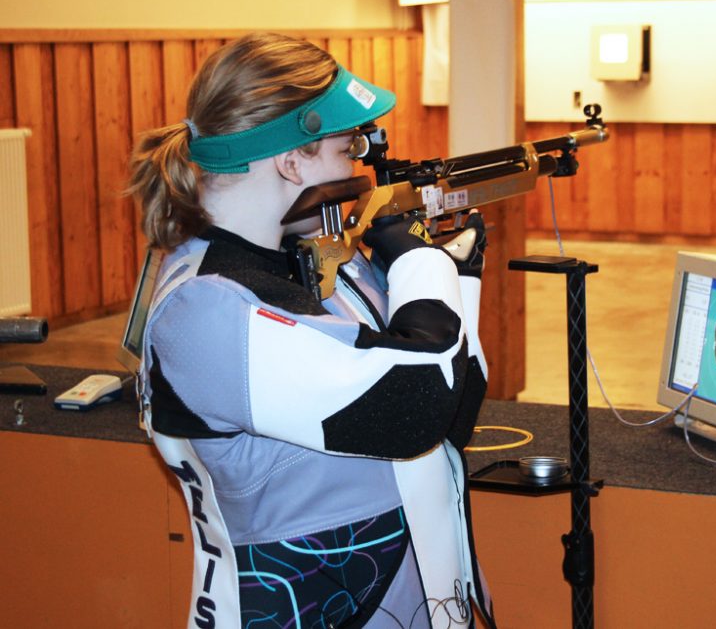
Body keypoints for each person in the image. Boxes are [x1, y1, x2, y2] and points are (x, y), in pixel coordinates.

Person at [127, 32, 495, 629]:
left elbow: (455, 406)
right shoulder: (207, 308)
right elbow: (416, 406)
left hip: (395, 592)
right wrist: (420, 263)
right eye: (348, 144)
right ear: (292, 159)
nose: (357, 162)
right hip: (299, 604)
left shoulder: (327, 261)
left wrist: (457, 278)